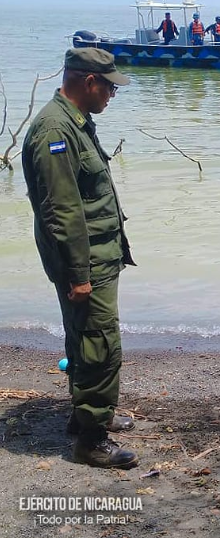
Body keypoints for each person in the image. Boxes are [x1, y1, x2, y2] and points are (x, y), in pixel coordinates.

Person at [21, 48, 138, 469]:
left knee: (85, 336)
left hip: (96, 255)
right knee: (99, 343)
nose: (112, 94)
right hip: (84, 261)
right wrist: (77, 274)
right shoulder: (55, 129)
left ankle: (85, 416)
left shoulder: (76, 123)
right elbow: (61, 210)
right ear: (88, 82)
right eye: (108, 87)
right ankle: (91, 439)